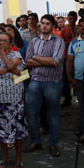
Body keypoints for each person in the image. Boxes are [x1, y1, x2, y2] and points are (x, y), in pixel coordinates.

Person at [24, 14, 65, 157]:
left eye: (48, 23)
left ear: (53, 26)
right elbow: (27, 61)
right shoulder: (34, 41)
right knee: (32, 113)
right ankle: (36, 141)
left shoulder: (59, 41)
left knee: (53, 114)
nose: (44, 26)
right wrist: (43, 60)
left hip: (52, 82)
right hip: (35, 81)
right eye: (43, 23)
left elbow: (55, 61)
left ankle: (53, 144)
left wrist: (36, 57)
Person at [0, 32, 27, 168]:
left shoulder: (16, 55)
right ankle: (5, 157)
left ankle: (18, 159)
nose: (1, 43)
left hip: (14, 99)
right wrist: (7, 70)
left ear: (11, 43)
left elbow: (12, 65)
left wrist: (3, 55)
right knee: (0, 131)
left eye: (4, 41)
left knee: (17, 131)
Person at [66, 19, 84, 142]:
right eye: (80, 26)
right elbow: (69, 61)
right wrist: (70, 78)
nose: (83, 28)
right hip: (79, 80)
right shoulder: (73, 43)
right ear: (77, 29)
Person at [60, 11, 78, 107]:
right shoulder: (64, 30)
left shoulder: (78, 28)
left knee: (78, 76)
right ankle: (67, 98)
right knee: (65, 78)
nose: (72, 20)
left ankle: (78, 95)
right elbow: (62, 44)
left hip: (78, 57)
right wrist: (73, 40)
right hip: (66, 56)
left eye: (73, 18)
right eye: (70, 18)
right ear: (67, 18)